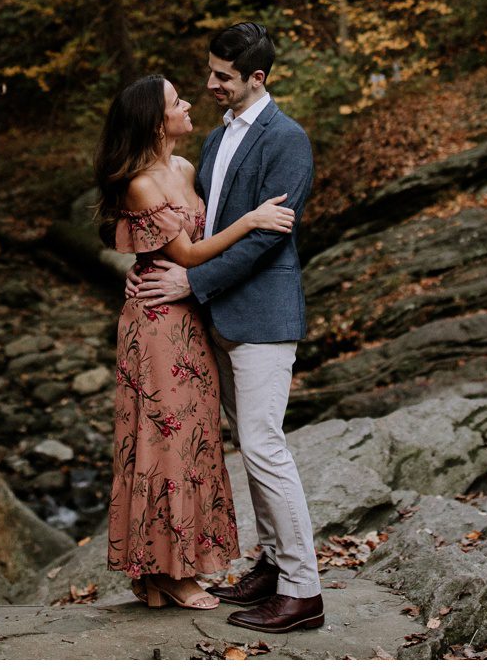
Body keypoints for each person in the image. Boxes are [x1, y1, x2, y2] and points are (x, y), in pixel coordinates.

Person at [127, 21, 324, 634]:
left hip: (263, 317)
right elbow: (194, 230)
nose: (209, 83)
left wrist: (191, 284)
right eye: (209, 72)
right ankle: (270, 564)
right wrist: (151, 270)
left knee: (265, 446)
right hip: (217, 320)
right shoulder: (213, 143)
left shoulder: (287, 140)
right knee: (249, 448)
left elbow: (268, 237)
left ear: (256, 79)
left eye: (223, 76)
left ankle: (303, 590)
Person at [97, 72, 298, 611]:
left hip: (191, 322)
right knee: (164, 445)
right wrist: (255, 220)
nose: (189, 103)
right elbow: (186, 255)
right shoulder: (141, 181)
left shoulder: (186, 168)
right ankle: (169, 572)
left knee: (195, 442)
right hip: (158, 326)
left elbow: (191, 244)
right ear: (155, 120)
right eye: (176, 101)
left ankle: (167, 572)